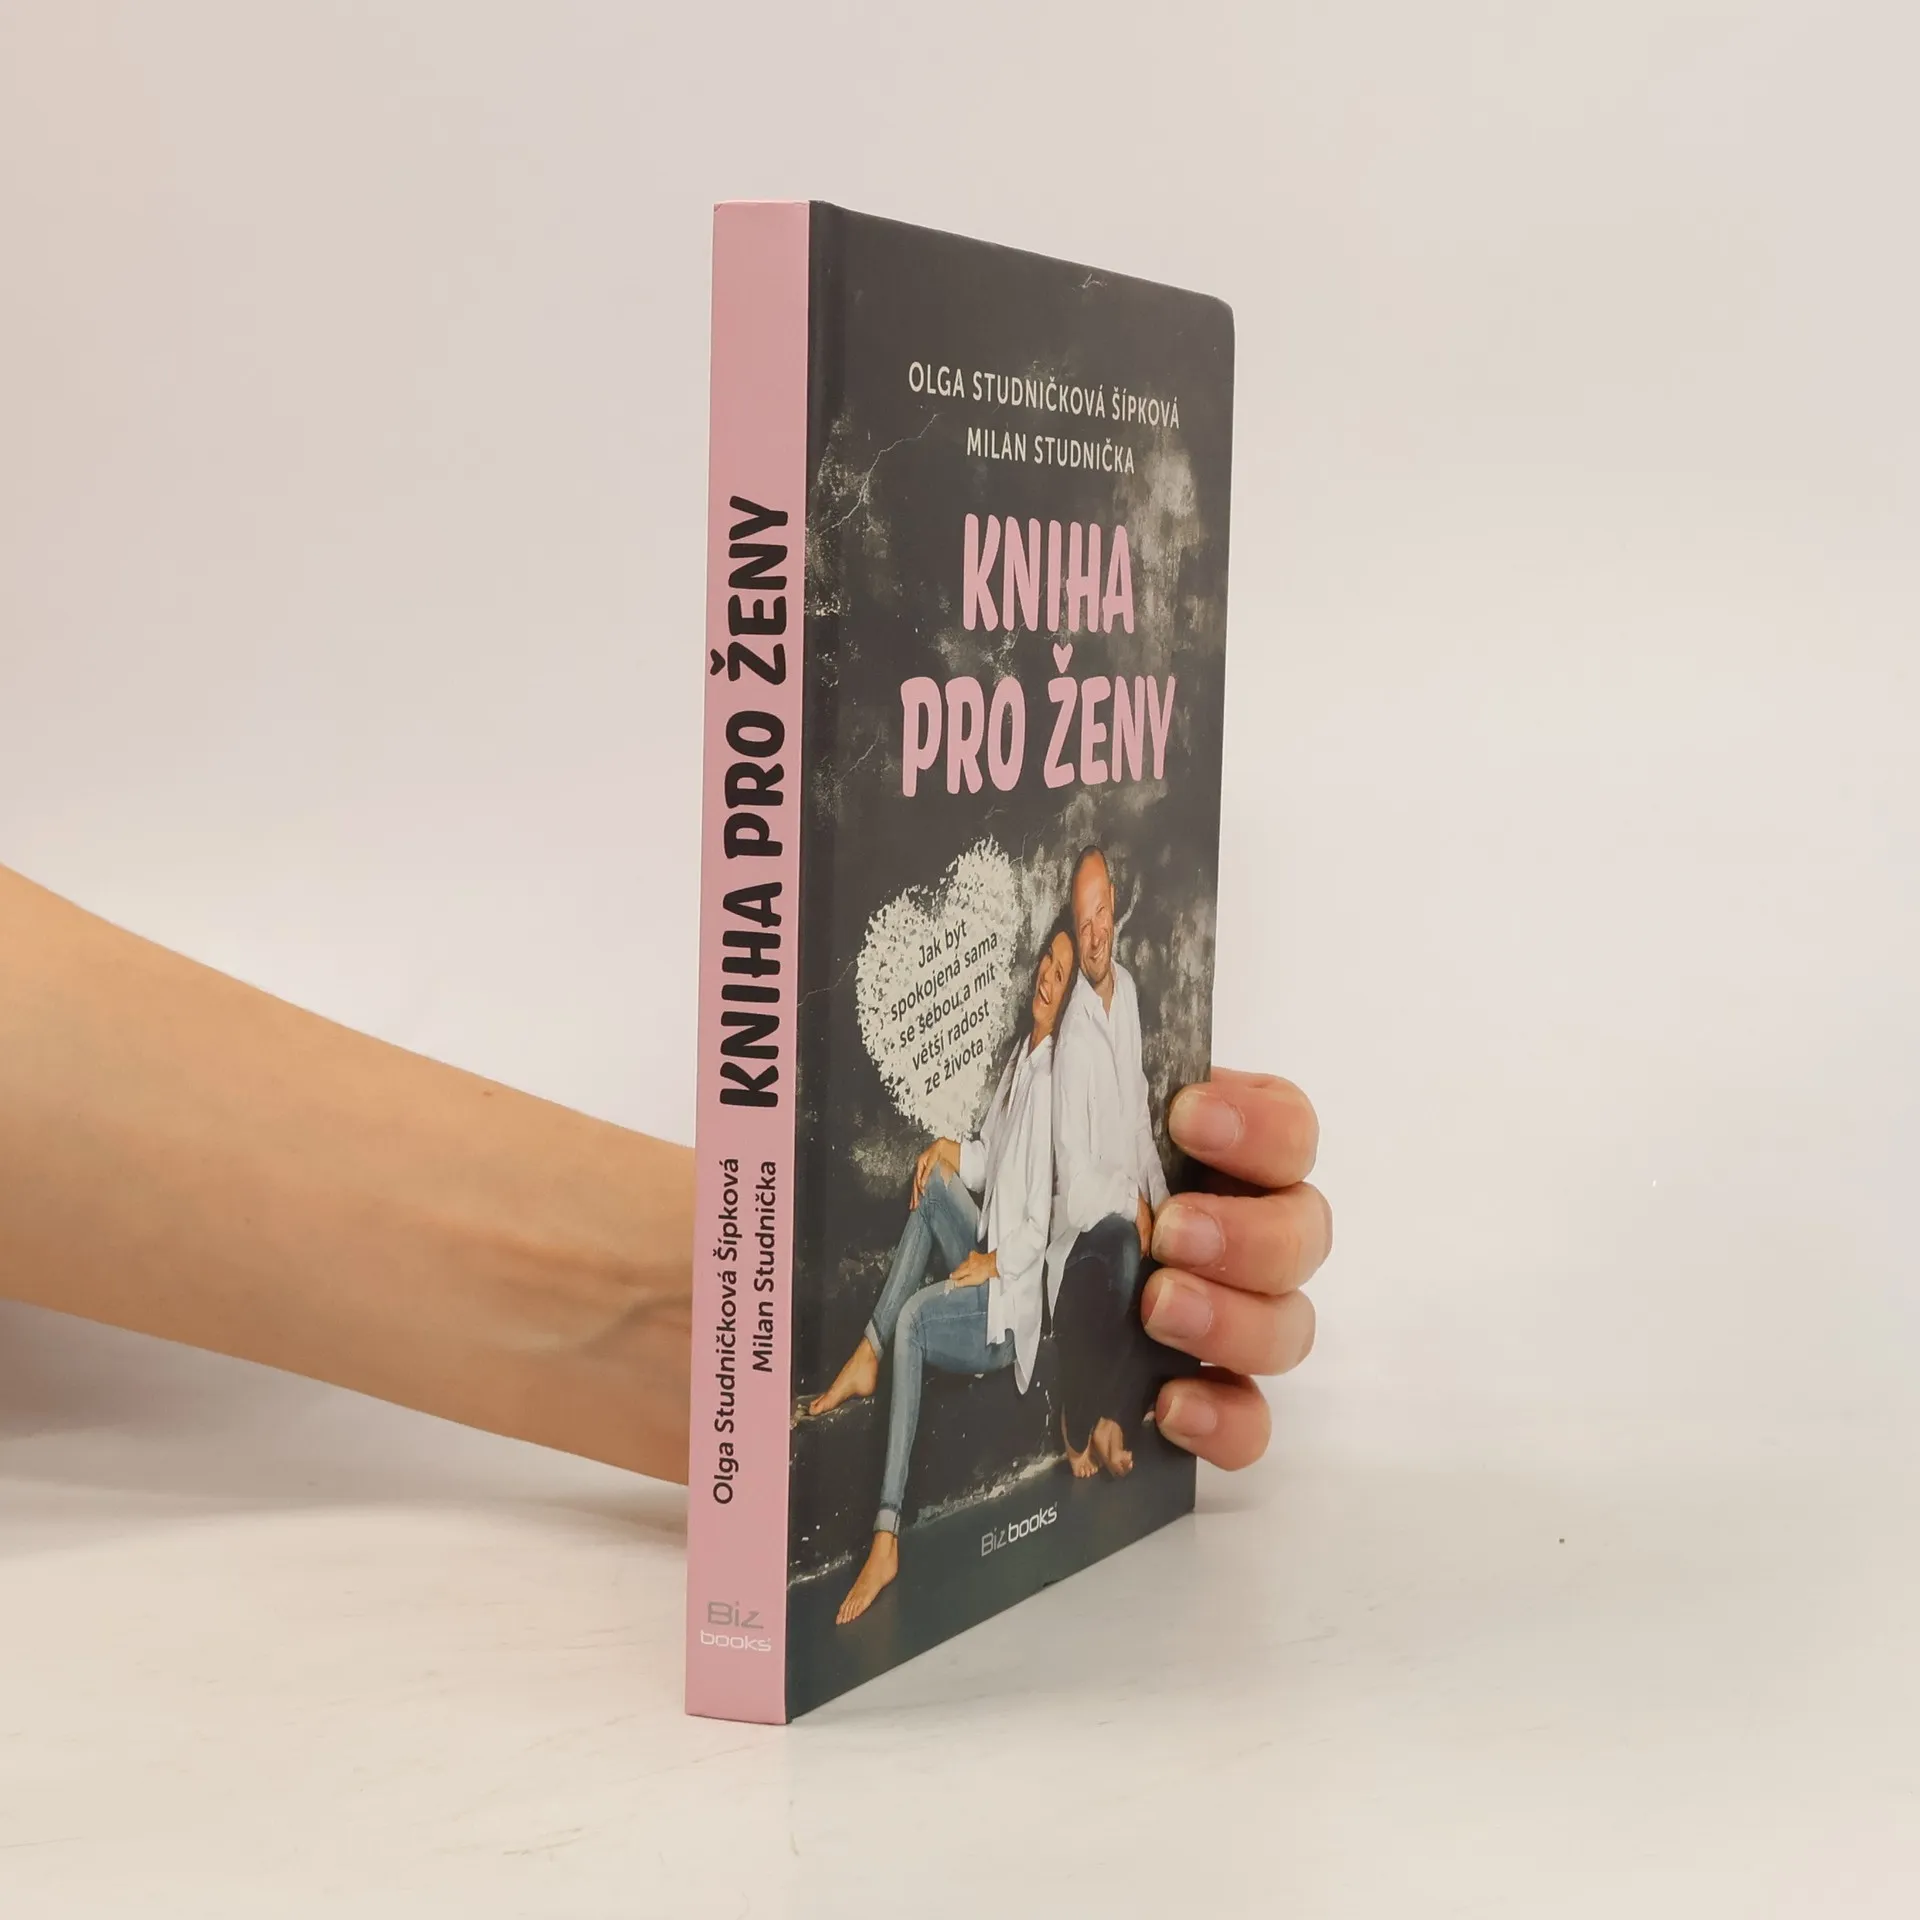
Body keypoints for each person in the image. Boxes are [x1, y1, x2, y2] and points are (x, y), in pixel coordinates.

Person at [0, 859, 1330, 1511]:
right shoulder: (1039, 1049)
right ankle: (839, 1385)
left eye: (1090, 931)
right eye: (1067, 935)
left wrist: (711, 1295)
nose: (1072, 953)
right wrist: (700, 1301)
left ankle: (827, 1360)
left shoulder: (1113, 1017)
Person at [809, 917, 1075, 1625]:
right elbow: (989, 1158)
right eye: (1047, 963)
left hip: (1008, 1308)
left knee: (917, 1321)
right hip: (989, 1262)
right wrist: (948, 1148)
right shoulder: (1024, 1058)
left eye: (1061, 974)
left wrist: (999, 1260)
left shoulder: (1060, 1083)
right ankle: (868, 1353)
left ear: (1071, 994)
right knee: (932, 1185)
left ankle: (886, 1535)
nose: (1046, 979)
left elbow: (1055, 1214)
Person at [1048, 846, 1169, 1481]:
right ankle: (1079, 1416)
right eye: (1082, 923)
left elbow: (1140, 1120)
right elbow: (1075, 1193)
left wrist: (1164, 1209)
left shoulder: (1128, 993)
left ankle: (1114, 1415)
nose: (1094, 937)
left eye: (1101, 915)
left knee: (1177, 1258)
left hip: (1129, 1215)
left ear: (1114, 904)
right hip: (1082, 1250)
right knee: (1124, 1245)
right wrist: (1134, 1205)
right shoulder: (1072, 1038)